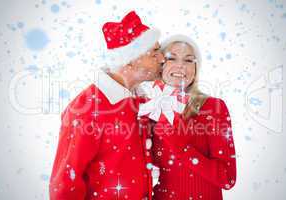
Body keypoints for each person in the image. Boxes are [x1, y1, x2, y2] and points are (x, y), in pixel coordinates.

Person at [49, 10, 164, 200]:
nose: (162, 59)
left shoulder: (142, 101)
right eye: (154, 53)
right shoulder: (86, 110)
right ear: (130, 61)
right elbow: (65, 185)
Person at [137, 35, 237, 200]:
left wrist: (181, 147)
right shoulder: (149, 110)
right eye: (171, 58)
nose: (181, 66)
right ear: (160, 64)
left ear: (196, 68)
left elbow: (227, 178)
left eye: (189, 60)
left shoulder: (213, 108)